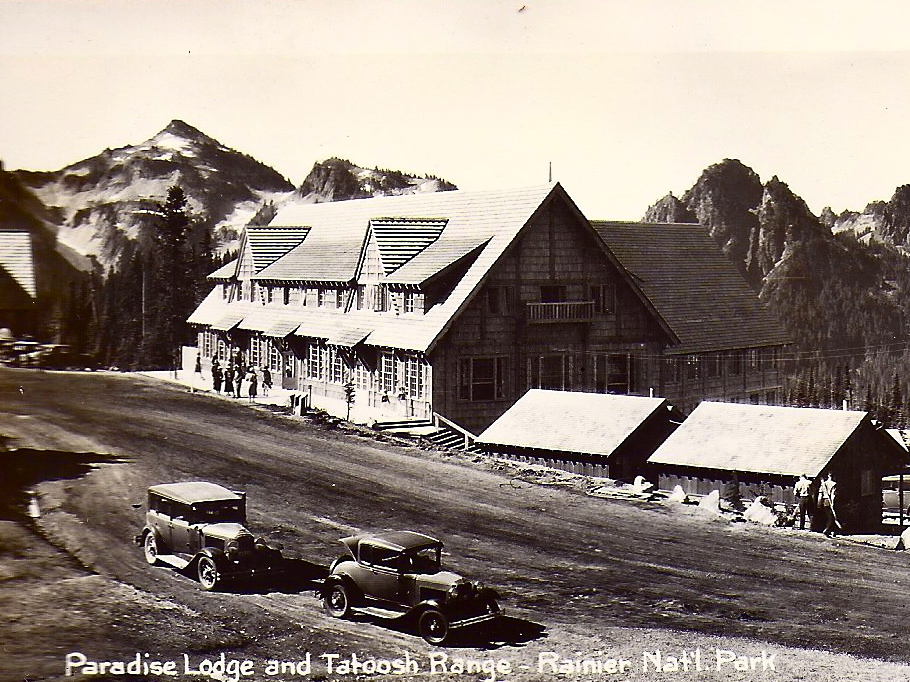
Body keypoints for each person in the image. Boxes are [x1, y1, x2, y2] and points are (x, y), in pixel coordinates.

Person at [818, 472, 839, 536]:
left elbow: (820, 495)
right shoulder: (834, 484)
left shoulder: (823, 484)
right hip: (830, 501)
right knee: (831, 517)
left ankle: (831, 531)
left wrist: (819, 503)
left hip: (825, 501)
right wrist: (832, 503)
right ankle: (827, 530)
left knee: (830, 516)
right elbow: (833, 495)